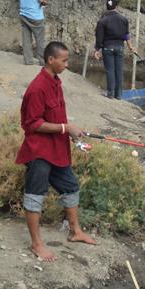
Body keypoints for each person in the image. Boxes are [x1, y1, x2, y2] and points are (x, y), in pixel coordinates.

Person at [16, 41, 97, 262]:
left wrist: (70, 134)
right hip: (39, 151)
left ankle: (75, 232)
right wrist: (65, 127)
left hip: (57, 149)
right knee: (35, 195)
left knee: (71, 187)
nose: (67, 65)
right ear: (51, 60)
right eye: (64, 60)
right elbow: (32, 124)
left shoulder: (55, 82)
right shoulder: (37, 87)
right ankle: (37, 244)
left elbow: (57, 118)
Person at [93, 0, 135, 99]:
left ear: (107, 7)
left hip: (107, 48)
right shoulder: (124, 20)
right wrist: (131, 46)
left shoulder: (102, 21)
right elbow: (126, 35)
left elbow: (99, 38)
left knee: (110, 71)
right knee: (119, 71)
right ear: (116, 7)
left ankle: (110, 94)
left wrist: (97, 50)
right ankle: (118, 95)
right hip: (120, 47)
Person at [17, 0, 47, 66]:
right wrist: (44, 0)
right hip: (36, 16)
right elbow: (42, 0)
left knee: (26, 39)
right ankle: (42, 61)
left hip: (23, 14)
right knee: (40, 40)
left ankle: (28, 61)